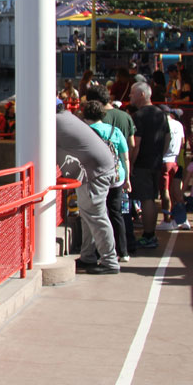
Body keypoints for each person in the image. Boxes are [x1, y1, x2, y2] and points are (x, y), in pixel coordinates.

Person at [56, 97, 119, 274]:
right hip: (97, 169)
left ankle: (110, 261)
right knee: (89, 215)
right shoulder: (67, 118)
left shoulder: (53, 122)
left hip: (94, 173)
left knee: (96, 217)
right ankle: (88, 256)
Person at [81, 100, 131, 262]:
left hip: (96, 177)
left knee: (98, 215)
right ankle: (123, 251)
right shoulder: (114, 131)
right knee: (116, 213)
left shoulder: (86, 132)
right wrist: (128, 179)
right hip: (117, 175)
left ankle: (99, 252)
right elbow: (125, 157)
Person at [129, 82, 170, 249]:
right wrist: (161, 154)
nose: (130, 96)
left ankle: (148, 234)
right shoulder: (161, 114)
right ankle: (150, 233)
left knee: (146, 199)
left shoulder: (138, 116)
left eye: (132, 93)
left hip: (142, 164)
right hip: (155, 161)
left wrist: (130, 163)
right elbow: (167, 138)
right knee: (151, 198)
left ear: (142, 95)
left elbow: (135, 143)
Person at [157, 107, 187, 230]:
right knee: (176, 190)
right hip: (176, 161)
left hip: (164, 160)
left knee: (165, 191)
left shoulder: (162, 124)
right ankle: (182, 219)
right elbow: (183, 142)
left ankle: (167, 220)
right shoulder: (178, 124)